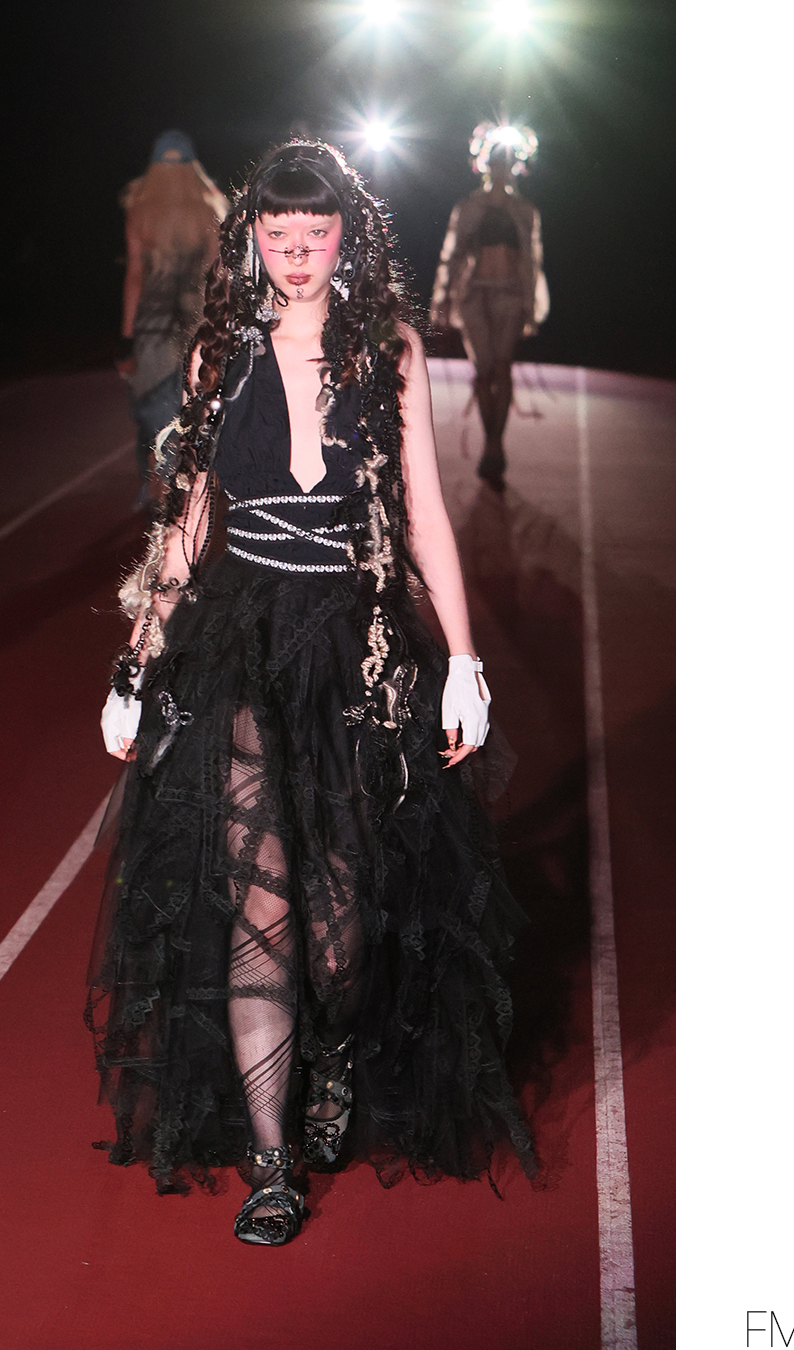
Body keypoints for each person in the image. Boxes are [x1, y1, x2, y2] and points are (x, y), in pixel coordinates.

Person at [88, 141, 535, 1247]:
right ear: (252, 237)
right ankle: (271, 1161)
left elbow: (423, 512)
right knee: (260, 907)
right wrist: (135, 665)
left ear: (348, 236)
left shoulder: (390, 348)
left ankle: (329, 1051)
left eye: (315, 236)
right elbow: (189, 522)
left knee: (337, 931)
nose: (295, 256)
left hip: (352, 646)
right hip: (239, 645)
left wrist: (464, 660)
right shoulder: (220, 351)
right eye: (278, 237)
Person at [430, 124, 549, 487]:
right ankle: (491, 443)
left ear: (515, 166)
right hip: (475, 294)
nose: (501, 167)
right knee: (484, 370)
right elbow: (452, 253)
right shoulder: (468, 207)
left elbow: (532, 259)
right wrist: (442, 297)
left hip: (510, 293)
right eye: (496, 160)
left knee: (501, 366)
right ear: (486, 164)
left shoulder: (524, 210)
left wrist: (531, 301)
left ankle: (495, 444)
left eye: (507, 161)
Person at [116, 130, 228, 507]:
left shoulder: (140, 209)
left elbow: (135, 276)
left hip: (152, 328)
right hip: (197, 324)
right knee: (195, 409)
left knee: (154, 412)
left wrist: (126, 338)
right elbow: (216, 275)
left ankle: (157, 488)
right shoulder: (209, 209)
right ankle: (189, 494)